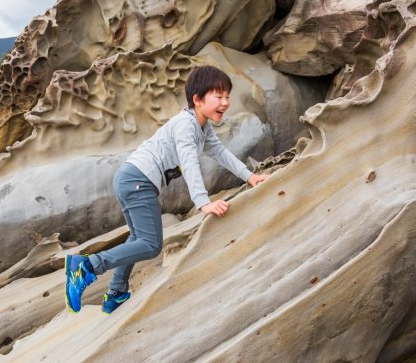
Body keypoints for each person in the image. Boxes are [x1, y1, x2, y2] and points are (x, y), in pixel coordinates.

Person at [65, 65, 269, 314]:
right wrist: (203, 202)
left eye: (227, 96)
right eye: (219, 96)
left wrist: (250, 177)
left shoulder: (201, 127)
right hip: (137, 180)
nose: (225, 102)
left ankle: (116, 292)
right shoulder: (186, 124)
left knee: (137, 237)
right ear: (197, 99)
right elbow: (189, 161)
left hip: (130, 178)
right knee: (151, 244)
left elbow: (220, 153)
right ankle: (87, 266)